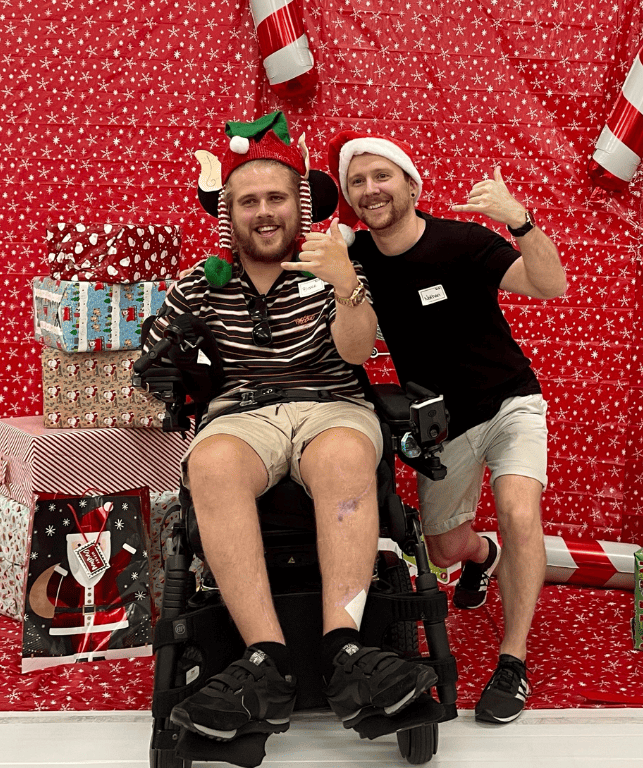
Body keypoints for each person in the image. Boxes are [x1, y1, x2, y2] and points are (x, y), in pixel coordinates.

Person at [141, 113, 436, 745]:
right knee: (211, 463)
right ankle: (265, 661)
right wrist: (168, 354)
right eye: (249, 201)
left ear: (298, 205)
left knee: (341, 458)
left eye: (277, 197)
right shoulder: (197, 285)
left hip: (331, 404)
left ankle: (344, 648)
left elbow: (358, 353)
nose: (264, 211)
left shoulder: (330, 267)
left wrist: (348, 285)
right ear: (230, 213)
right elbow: (156, 368)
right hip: (242, 414)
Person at [306, 130, 567, 724]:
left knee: (519, 509)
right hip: (442, 424)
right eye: (358, 182)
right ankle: (482, 555)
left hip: (509, 402)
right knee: (447, 547)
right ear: (349, 196)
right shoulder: (358, 261)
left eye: (382, 176)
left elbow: (550, 285)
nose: (371, 190)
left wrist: (520, 221)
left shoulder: (464, 241)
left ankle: (513, 662)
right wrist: (344, 280)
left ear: (410, 184)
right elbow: (355, 351)